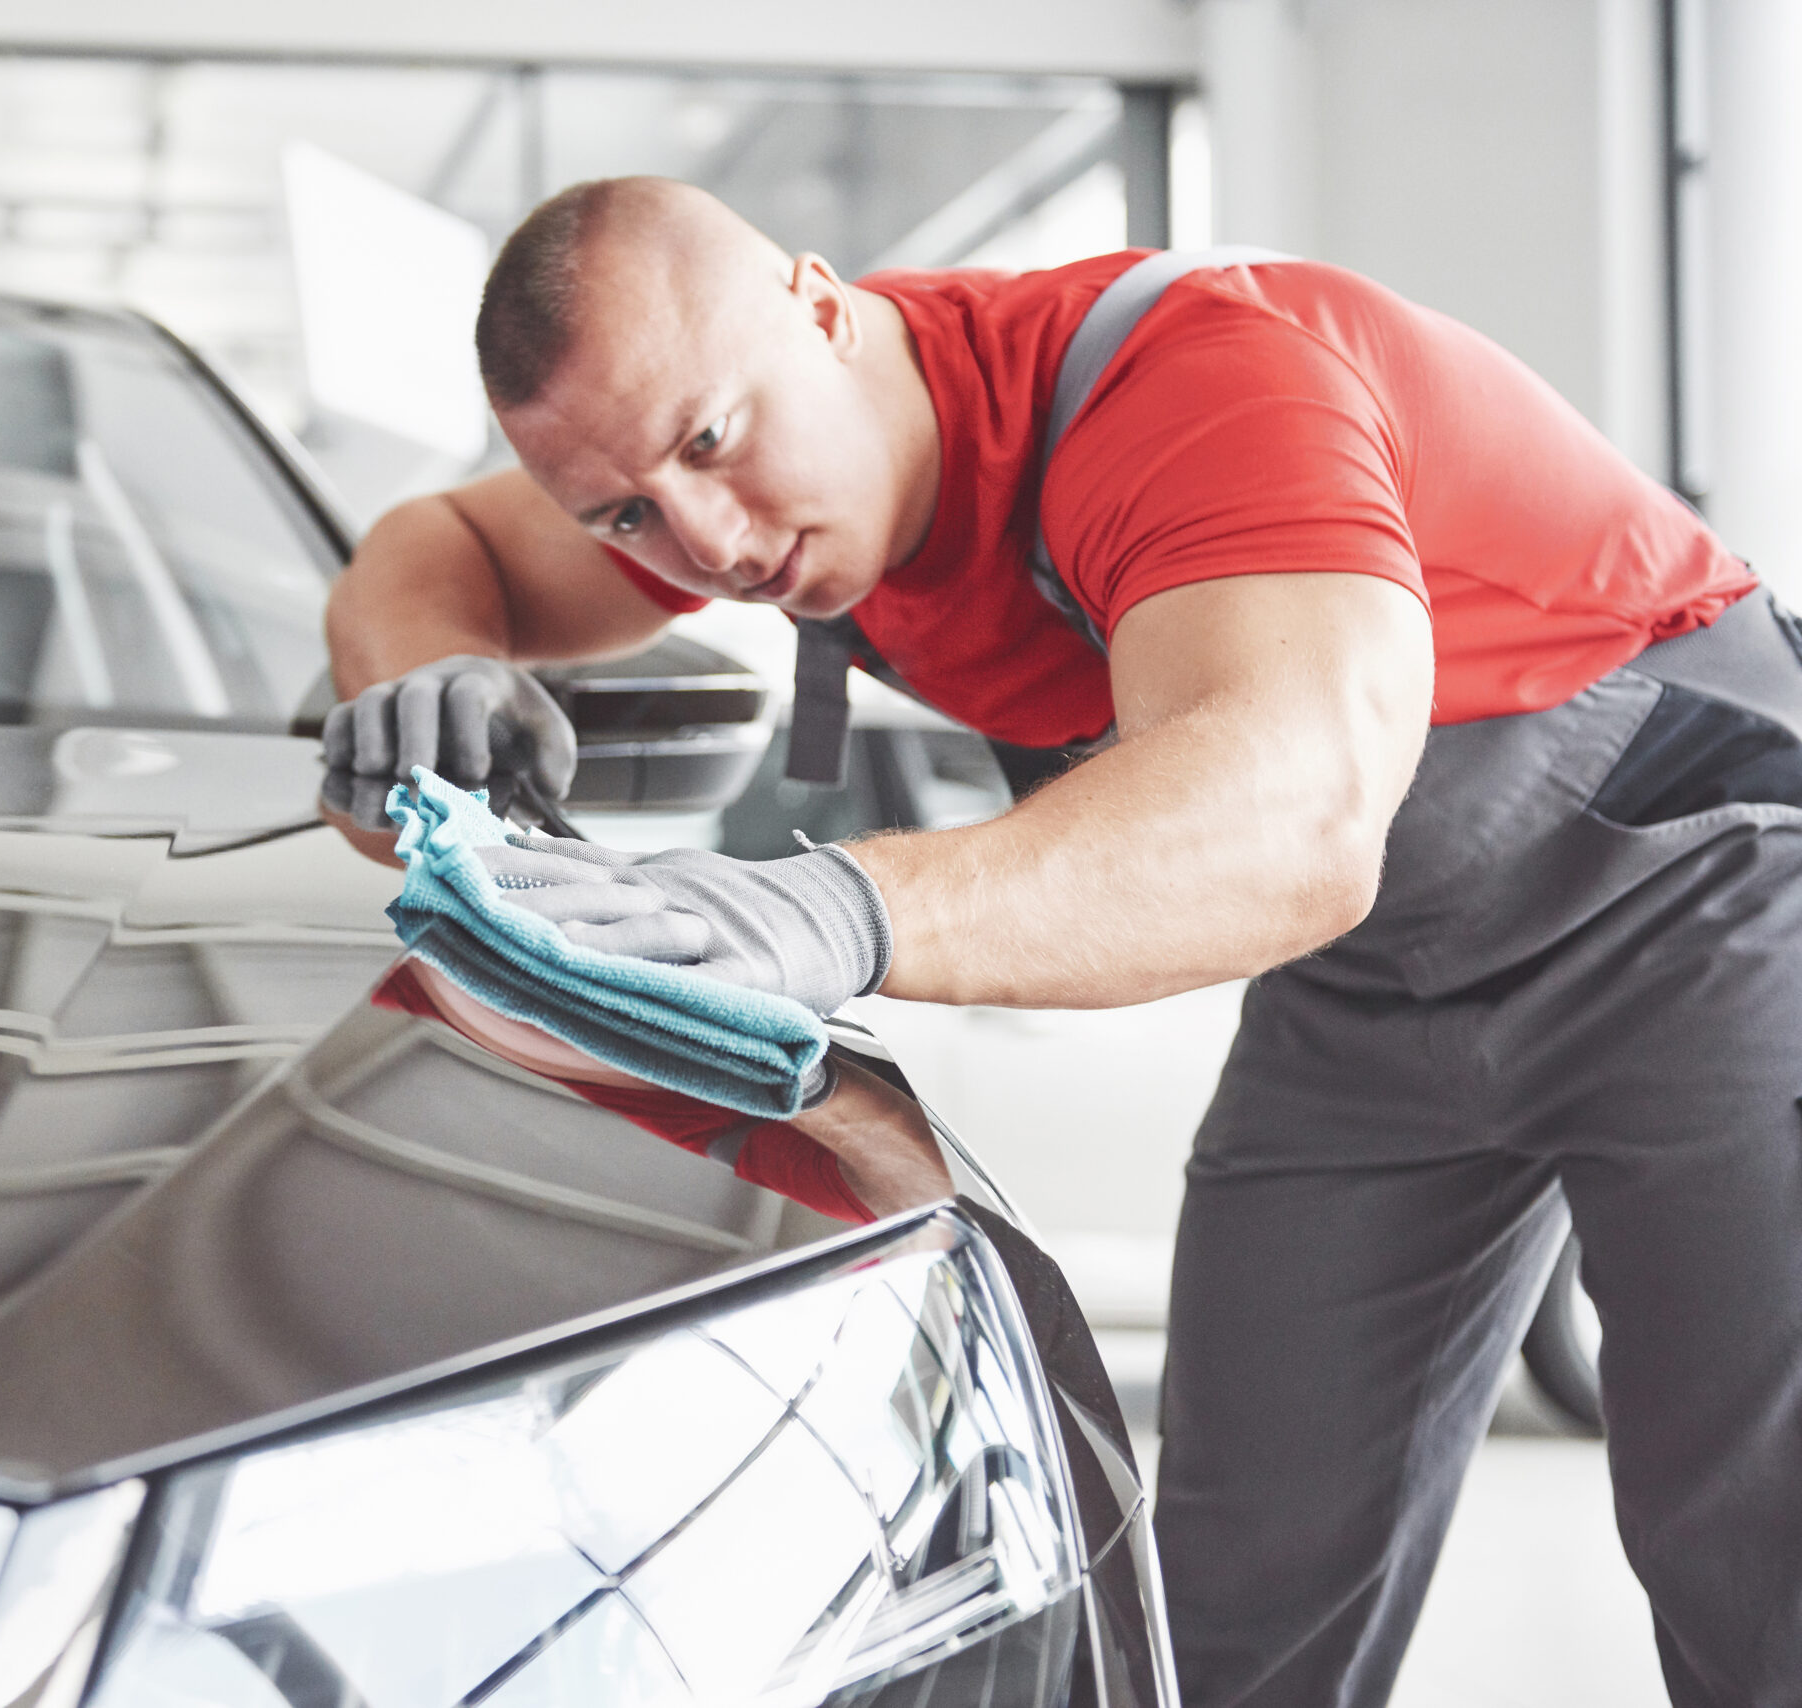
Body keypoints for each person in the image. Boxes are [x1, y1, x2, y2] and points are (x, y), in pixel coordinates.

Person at [319, 176, 1802, 1707]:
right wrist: (435, 672)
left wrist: (832, 909)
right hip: (1374, 979)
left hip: (1706, 893)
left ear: (822, 308)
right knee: (1235, 1587)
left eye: (709, 445)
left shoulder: (1196, 384)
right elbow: (443, 539)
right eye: (625, 515)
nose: (705, 543)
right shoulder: (725, 445)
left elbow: (1300, 816)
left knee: (1760, 1566)